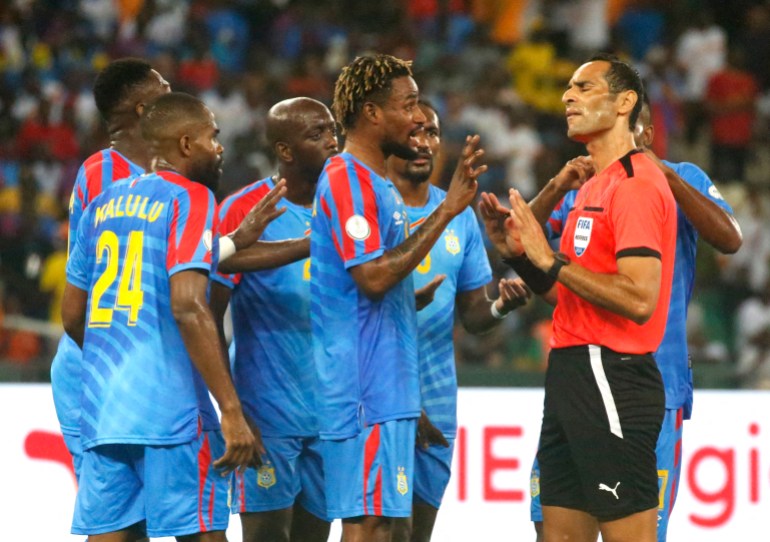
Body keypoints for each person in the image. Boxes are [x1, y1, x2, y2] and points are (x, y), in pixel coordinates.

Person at [51, 57, 282, 485]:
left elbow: (187, 260)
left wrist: (260, 241)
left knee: (127, 510)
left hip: (141, 362)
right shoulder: (107, 173)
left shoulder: (169, 180)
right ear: (145, 109)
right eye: (163, 86)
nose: (174, 90)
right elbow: (134, 269)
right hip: (104, 362)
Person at [480, 53, 677, 542]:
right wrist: (521, 257)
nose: (568, 96)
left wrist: (549, 260)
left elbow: (640, 298)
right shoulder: (594, 185)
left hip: (612, 373)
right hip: (572, 369)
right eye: (568, 87)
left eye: (584, 87)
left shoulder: (635, 185)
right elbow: (566, 293)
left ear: (625, 103)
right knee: (560, 536)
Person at [527, 96, 742, 541]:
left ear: (646, 132)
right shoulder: (585, 187)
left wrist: (665, 176)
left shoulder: (683, 176)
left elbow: (730, 238)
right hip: (581, 377)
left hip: (654, 384)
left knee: (640, 530)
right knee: (553, 528)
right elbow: (528, 248)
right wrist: (554, 187)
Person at [310, 54, 486, 542]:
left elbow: (374, 289)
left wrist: (409, 303)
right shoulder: (347, 178)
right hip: (363, 388)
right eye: (408, 105)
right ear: (371, 113)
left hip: (388, 388)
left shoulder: (378, 186)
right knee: (368, 525)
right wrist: (446, 211)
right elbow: (371, 277)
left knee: (386, 528)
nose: (416, 119)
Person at [387, 101, 530, 542]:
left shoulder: (462, 217)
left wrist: (499, 307)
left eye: (431, 132)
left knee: (416, 534)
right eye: (412, 131)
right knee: (382, 529)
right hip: (380, 398)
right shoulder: (370, 208)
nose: (423, 142)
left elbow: (471, 314)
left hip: (439, 399)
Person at [210, 97, 339, 542]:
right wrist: (234, 409)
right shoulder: (246, 210)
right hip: (267, 415)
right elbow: (209, 316)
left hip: (331, 415)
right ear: (285, 150)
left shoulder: (348, 209)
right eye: (317, 134)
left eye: (332, 130)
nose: (332, 141)